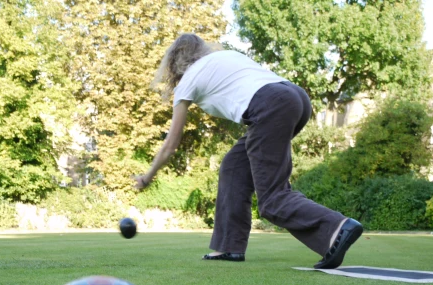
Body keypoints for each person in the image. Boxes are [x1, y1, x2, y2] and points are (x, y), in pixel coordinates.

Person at [133, 34, 363, 269]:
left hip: (270, 105)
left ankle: (337, 226)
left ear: (174, 63)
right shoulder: (225, 56)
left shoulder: (187, 82)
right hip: (296, 98)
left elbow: (170, 145)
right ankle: (229, 246)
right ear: (200, 50)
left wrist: (147, 176)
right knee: (234, 167)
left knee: (272, 198)